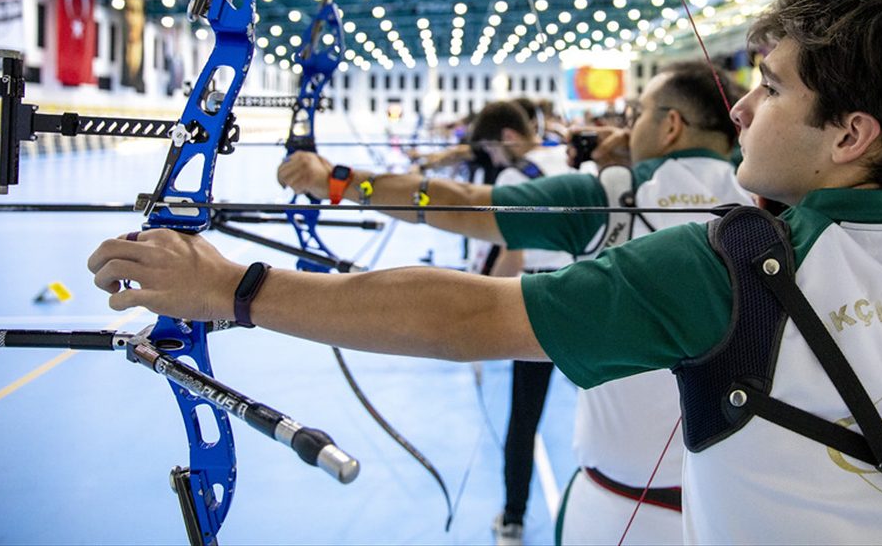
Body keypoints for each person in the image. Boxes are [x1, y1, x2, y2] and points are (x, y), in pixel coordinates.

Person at [90, 0, 882, 545]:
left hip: (619, 505)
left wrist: (232, 284)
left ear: (849, 133)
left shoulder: (725, 261)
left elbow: (469, 303)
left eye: (770, 89)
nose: (744, 107)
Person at [279, 60, 751, 544]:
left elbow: (453, 200)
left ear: (670, 125)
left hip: (622, 509)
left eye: (639, 113)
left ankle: (513, 515)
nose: (628, 127)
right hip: (740, 510)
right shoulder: (768, 203)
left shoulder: (608, 194)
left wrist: (333, 180)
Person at [463, 100, 574, 545]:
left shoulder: (512, 178)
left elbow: (513, 254)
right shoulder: (567, 158)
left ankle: (512, 517)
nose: (492, 163)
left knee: (524, 416)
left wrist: (473, 312)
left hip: (542, 300)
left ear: (508, 138)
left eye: (491, 152)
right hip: (590, 286)